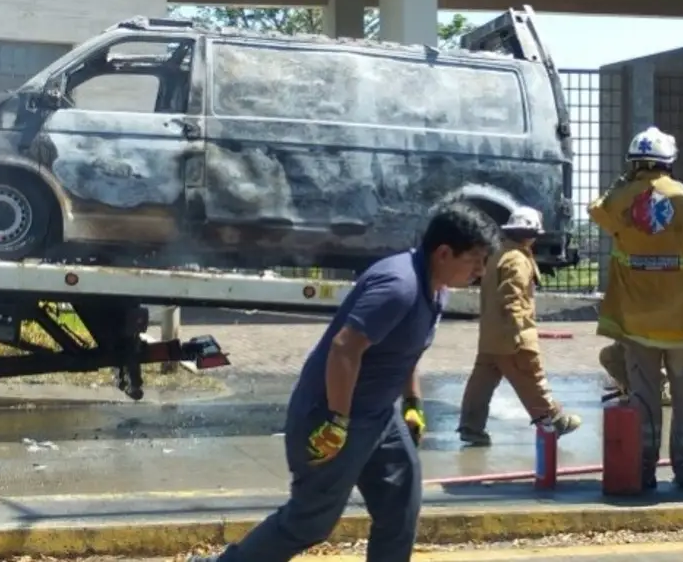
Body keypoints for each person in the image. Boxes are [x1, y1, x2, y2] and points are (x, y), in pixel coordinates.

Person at [188, 203, 500, 562]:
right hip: (333, 416)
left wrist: (413, 404)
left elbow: (408, 349)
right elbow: (344, 347)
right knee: (309, 521)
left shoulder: (437, 287)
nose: (481, 270)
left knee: (401, 502)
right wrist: (336, 421)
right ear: (444, 253)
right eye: (475, 260)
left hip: (380, 418)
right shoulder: (399, 287)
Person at [588, 126, 683, 491]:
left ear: (633, 164)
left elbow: (597, 210)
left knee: (644, 398)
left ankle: (644, 470)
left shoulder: (618, 203)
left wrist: (624, 182)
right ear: (671, 162)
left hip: (638, 322)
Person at [457, 207, 582, 447]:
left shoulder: (499, 254)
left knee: (481, 384)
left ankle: (471, 427)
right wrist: (517, 331)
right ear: (530, 233)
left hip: (491, 336)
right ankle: (552, 420)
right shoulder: (517, 260)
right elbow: (512, 298)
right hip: (513, 336)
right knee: (530, 376)